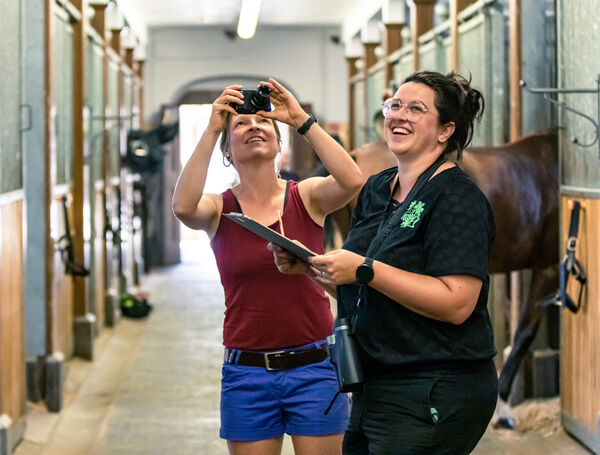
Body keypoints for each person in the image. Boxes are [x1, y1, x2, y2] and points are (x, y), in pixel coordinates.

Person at [270, 71, 498, 454]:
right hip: (374, 381)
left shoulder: (457, 198)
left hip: (434, 385)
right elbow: (364, 288)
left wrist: (365, 268)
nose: (399, 115)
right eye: (394, 105)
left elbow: (458, 303)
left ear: (445, 131)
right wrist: (311, 268)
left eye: (416, 109)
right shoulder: (379, 188)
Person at [172, 78, 363, 455]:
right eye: (241, 124)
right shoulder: (218, 208)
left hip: (315, 367)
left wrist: (300, 119)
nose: (254, 126)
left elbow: (352, 180)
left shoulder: (306, 196)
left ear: (279, 145)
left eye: (264, 122)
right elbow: (182, 207)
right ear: (228, 148)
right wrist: (213, 127)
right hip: (247, 373)